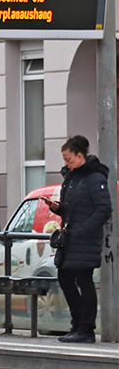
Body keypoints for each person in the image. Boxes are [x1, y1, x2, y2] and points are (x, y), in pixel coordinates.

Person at [43, 136, 111, 343]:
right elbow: (73, 209)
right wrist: (57, 208)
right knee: (65, 278)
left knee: (83, 280)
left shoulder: (95, 178)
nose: (66, 163)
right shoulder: (73, 178)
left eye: (68, 159)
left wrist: (82, 230)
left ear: (80, 156)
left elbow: (104, 209)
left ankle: (85, 329)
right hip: (71, 239)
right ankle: (78, 325)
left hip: (84, 240)